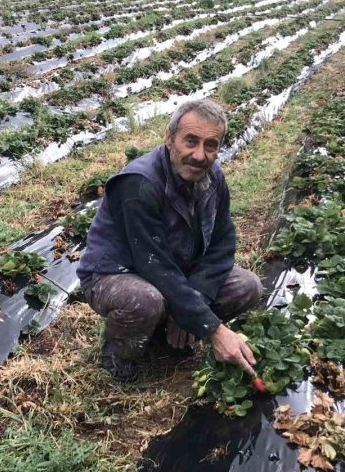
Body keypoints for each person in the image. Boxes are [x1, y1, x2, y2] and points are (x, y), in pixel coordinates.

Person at [77, 99, 263, 381]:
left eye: (210, 145)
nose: (199, 155)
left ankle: (167, 334)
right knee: (145, 300)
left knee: (248, 286)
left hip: (175, 269)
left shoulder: (213, 178)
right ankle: (118, 353)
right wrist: (212, 328)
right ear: (169, 138)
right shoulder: (139, 184)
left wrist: (194, 302)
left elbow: (223, 245)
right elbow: (154, 265)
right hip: (118, 273)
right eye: (191, 141)